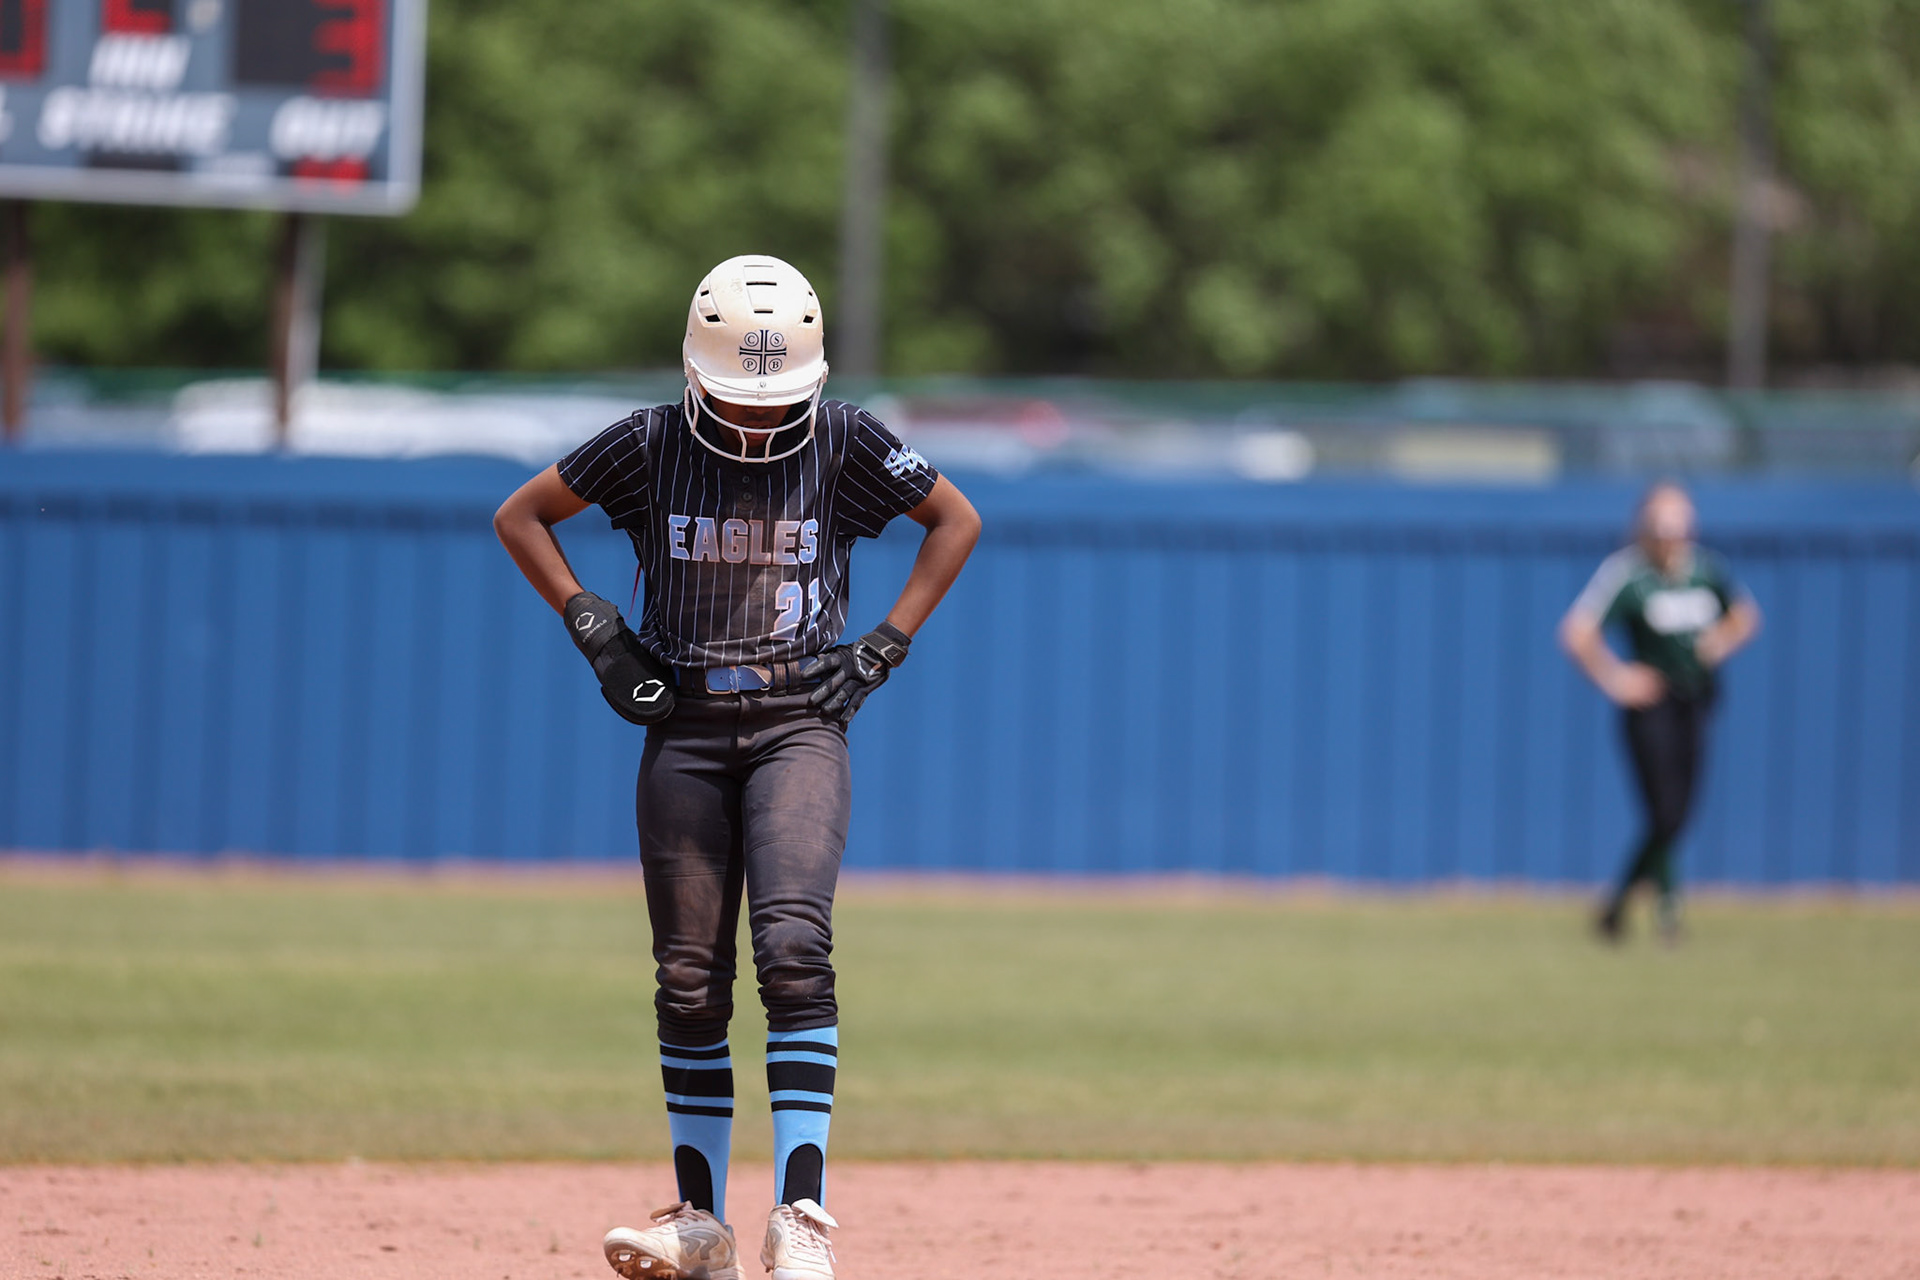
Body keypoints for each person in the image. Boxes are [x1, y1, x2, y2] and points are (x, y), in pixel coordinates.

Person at [493, 254, 979, 1280]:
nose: (757, 418)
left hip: (801, 717)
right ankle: (701, 1223)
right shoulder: (647, 442)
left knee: (794, 946)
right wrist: (594, 627)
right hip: (686, 722)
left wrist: (883, 645)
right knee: (686, 977)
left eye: (775, 398)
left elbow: (955, 518)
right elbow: (521, 515)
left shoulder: (844, 437)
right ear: (694, 371)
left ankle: (800, 1214)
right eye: (737, 396)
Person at [1558, 481, 1760, 943]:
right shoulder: (1628, 574)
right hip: (1653, 705)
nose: (1673, 541)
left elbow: (1745, 616)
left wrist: (1719, 642)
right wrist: (1615, 677)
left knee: (1678, 812)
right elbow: (1576, 632)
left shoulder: (1704, 569)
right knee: (1664, 811)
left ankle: (1616, 907)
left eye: (1680, 530)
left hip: (1697, 700)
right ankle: (1668, 914)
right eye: (1663, 531)